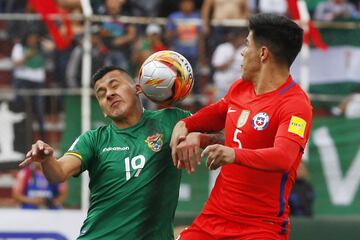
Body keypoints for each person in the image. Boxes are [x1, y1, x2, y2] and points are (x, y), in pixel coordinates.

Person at [170, 13, 313, 239]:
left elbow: (283, 157)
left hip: (260, 226)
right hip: (215, 217)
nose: (243, 53)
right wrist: (186, 125)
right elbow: (217, 114)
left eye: (247, 45)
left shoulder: (296, 104)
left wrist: (233, 154)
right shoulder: (241, 88)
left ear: (263, 53)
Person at [19, 66, 191, 239]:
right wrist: (47, 159)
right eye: (101, 94)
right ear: (103, 110)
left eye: (115, 85)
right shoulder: (93, 140)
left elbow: (216, 132)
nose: (109, 94)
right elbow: (59, 173)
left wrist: (201, 138)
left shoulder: (172, 120)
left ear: (138, 88)